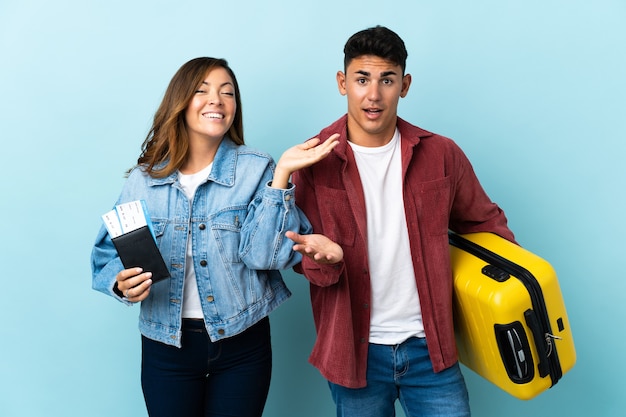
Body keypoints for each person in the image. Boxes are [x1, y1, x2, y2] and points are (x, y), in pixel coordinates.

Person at [285, 26, 516, 417]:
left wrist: (506, 292)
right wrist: (323, 261)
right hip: (353, 352)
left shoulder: (441, 154)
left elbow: (488, 226)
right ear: (343, 83)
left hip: (432, 348)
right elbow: (296, 256)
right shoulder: (313, 161)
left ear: (404, 85)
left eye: (386, 80)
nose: (373, 95)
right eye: (361, 79)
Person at [91, 57, 339, 417]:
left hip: (243, 344)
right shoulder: (144, 180)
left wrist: (282, 175)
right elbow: (106, 254)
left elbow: (265, 255)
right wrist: (120, 282)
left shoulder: (258, 169)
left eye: (228, 92)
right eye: (202, 90)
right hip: (166, 345)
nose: (217, 100)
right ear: (180, 102)